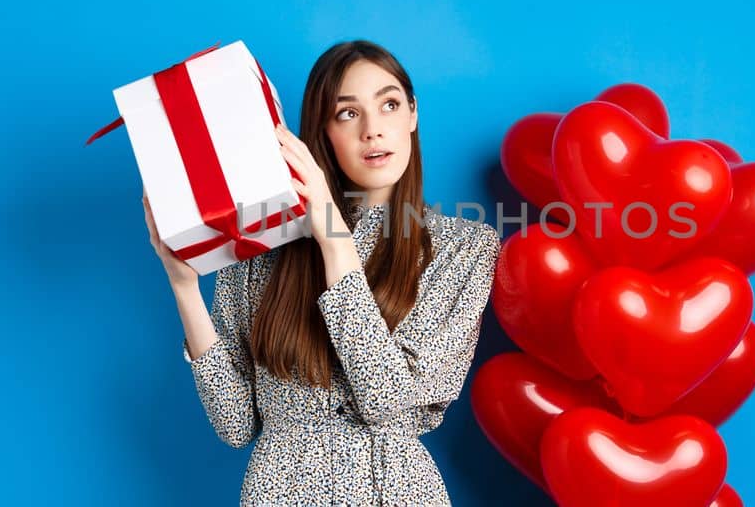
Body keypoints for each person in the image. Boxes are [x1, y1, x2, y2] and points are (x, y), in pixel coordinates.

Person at [141, 40, 501, 505]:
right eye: (347, 114)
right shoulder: (265, 244)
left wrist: (333, 236)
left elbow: (384, 397)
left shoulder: (465, 248)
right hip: (279, 490)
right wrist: (183, 284)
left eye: (389, 105)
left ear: (412, 114)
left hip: (393, 489)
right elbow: (235, 424)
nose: (373, 130)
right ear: (321, 133)